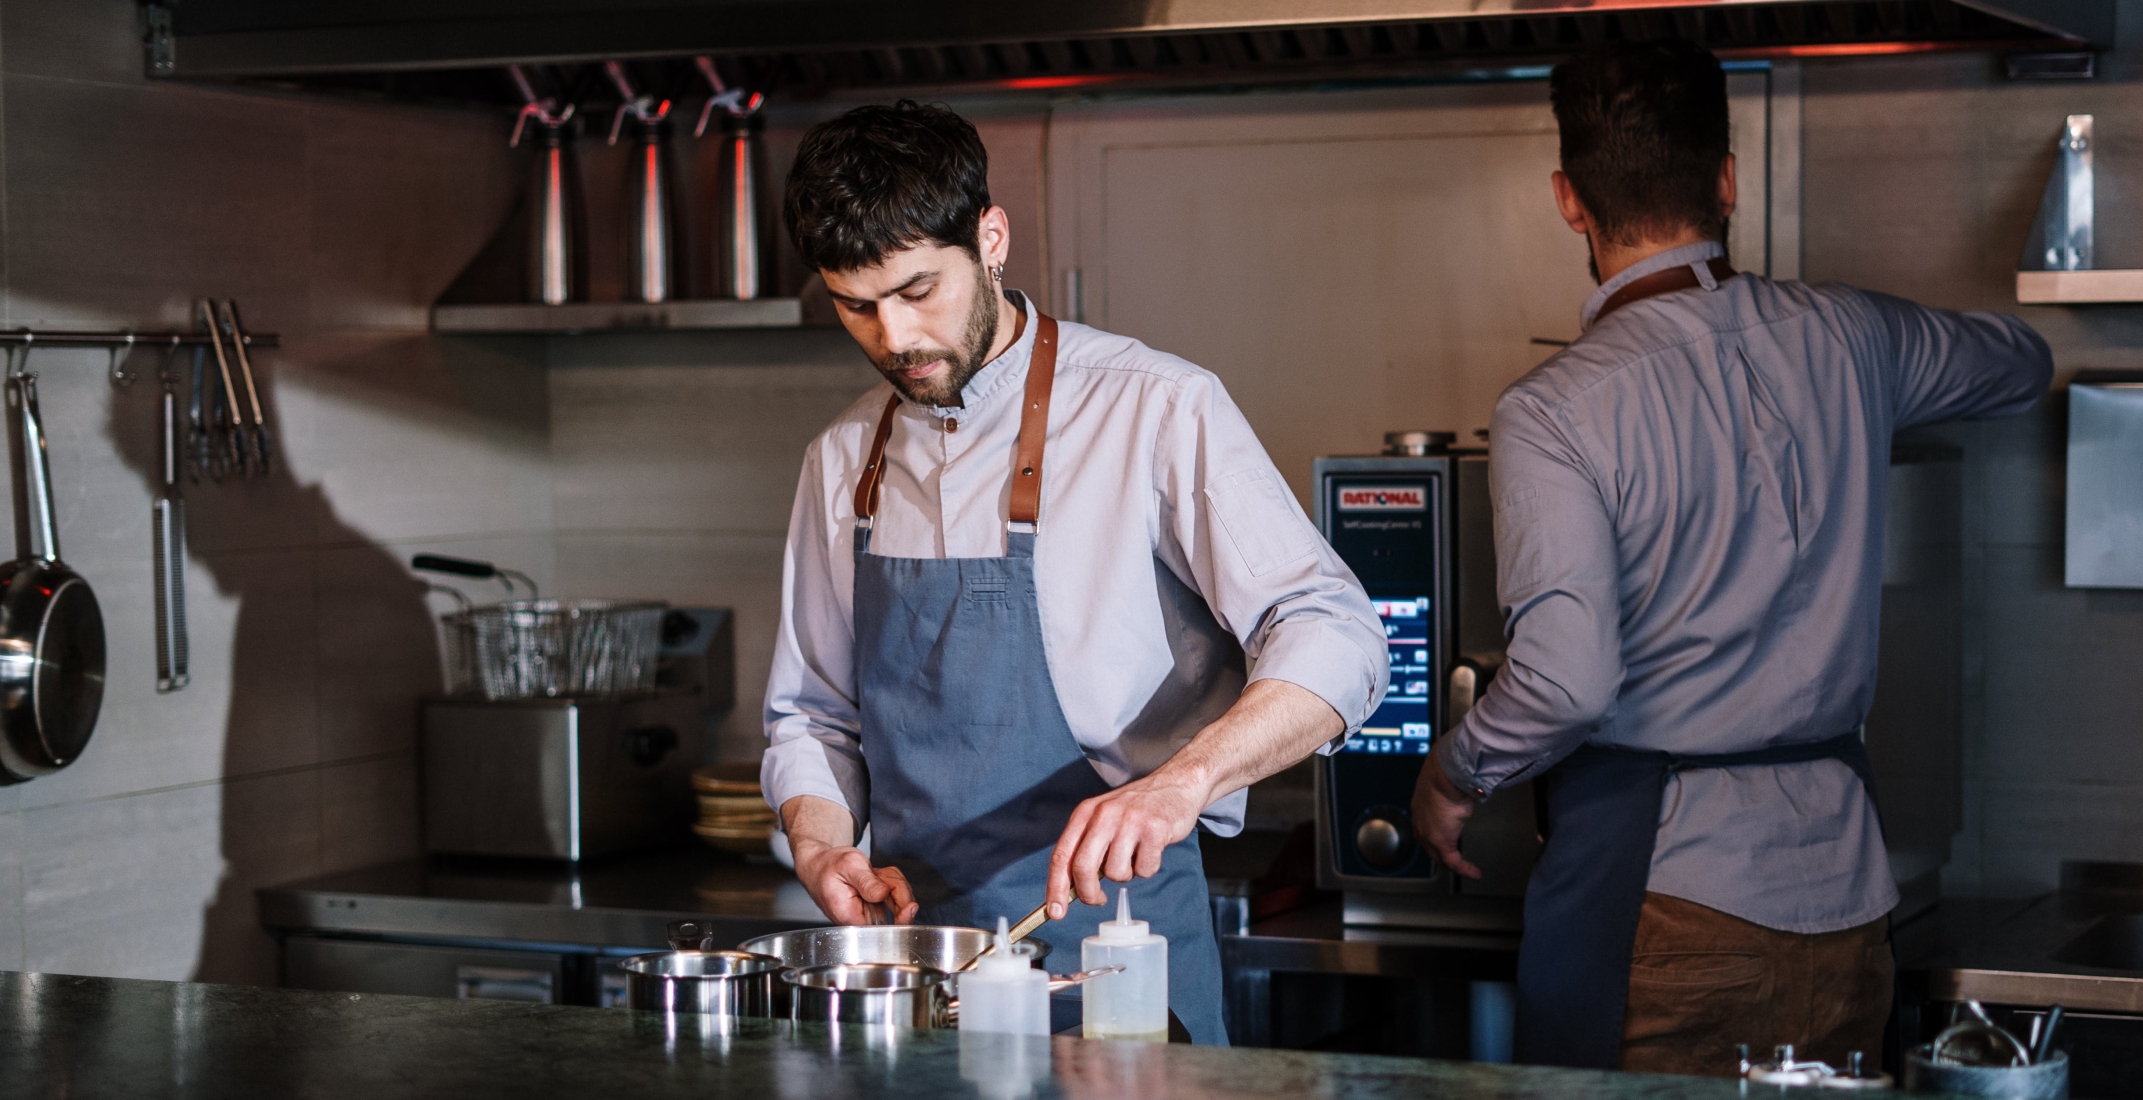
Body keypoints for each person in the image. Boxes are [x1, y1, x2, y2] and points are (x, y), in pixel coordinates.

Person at [1409, 42, 2053, 1075]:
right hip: (1849, 906)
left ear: (1569, 200)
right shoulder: (1849, 337)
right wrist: (1874, 374)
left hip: (1665, 908)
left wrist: (1453, 769)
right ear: (1726, 180)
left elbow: (1568, 682)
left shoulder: (1552, 411)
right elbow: (2020, 364)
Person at [761, 100, 1389, 1046]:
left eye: (919, 290)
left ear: (992, 237)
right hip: (920, 970)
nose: (895, 340)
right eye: (858, 305)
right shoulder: (841, 457)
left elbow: (1336, 631)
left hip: (1119, 950)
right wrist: (819, 840)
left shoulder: (1156, 408)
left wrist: (1181, 781)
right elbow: (812, 713)